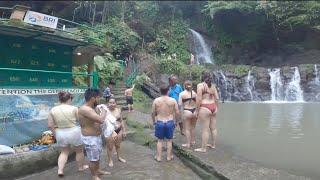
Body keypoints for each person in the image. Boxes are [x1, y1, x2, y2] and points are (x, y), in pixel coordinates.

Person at [48, 91, 88, 177]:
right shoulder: (74, 108)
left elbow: (50, 125)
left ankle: (60, 170)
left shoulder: (53, 109)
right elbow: (80, 121)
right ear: (69, 99)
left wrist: (55, 134)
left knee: (64, 152)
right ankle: (81, 167)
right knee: (79, 151)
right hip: (74, 131)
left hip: (60, 132)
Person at [78, 88, 110, 180]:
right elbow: (100, 120)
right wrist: (104, 110)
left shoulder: (91, 108)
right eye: (98, 97)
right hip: (90, 138)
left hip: (96, 137)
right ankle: (94, 176)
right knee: (93, 159)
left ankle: (98, 170)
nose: (99, 99)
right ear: (93, 98)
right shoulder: (85, 109)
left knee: (97, 156)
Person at [151, 84, 180, 162]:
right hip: (170, 122)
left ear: (160, 91)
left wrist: (154, 121)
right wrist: (176, 122)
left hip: (160, 121)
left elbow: (153, 113)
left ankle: (159, 157)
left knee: (159, 140)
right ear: (168, 91)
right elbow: (177, 112)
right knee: (169, 140)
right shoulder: (173, 100)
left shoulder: (156, 100)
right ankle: (168, 157)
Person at [194, 71, 220, 153]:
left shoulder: (200, 85)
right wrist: (217, 107)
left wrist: (197, 110)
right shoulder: (213, 86)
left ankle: (203, 148)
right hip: (213, 107)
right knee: (213, 128)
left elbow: (198, 99)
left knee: (205, 129)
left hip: (205, 107)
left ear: (202, 77)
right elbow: (217, 98)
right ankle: (213, 145)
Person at [97, 98, 127, 167]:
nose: (112, 104)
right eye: (110, 102)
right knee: (110, 147)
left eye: (113, 103)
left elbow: (121, 120)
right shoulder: (105, 111)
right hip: (109, 131)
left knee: (118, 145)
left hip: (118, 130)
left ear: (116, 103)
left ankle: (119, 157)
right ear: (107, 103)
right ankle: (110, 160)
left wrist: (124, 130)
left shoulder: (118, 110)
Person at [178, 80, 197, 148]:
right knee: (193, 128)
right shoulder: (194, 93)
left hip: (187, 111)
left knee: (187, 128)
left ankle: (188, 144)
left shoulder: (182, 94)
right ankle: (192, 141)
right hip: (194, 111)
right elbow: (197, 103)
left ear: (184, 86)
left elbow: (180, 104)